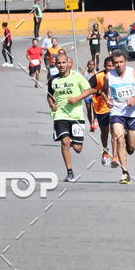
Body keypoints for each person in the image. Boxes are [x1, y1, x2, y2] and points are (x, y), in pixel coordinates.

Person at [103, 50, 135, 185]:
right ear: (112, 63)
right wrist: (106, 99)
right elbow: (102, 91)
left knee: (132, 146)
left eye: (121, 62)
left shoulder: (133, 73)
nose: (118, 65)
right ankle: (125, 172)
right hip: (116, 113)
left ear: (125, 62)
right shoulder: (109, 76)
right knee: (119, 139)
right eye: (116, 63)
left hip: (132, 114)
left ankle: (129, 148)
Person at [47, 52, 94, 183]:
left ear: (68, 63)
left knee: (78, 148)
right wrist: (52, 105)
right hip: (60, 115)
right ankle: (70, 172)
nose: (61, 65)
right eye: (58, 63)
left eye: (63, 62)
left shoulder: (77, 76)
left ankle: (71, 143)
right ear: (55, 64)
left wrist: (77, 98)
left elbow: (89, 90)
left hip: (76, 115)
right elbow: (49, 95)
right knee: (64, 142)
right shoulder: (53, 79)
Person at [88, 56, 115, 166]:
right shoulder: (98, 76)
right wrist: (98, 91)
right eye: (109, 66)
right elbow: (87, 88)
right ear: (104, 66)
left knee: (115, 132)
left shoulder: (118, 76)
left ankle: (115, 155)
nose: (111, 67)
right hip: (101, 108)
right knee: (105, 132)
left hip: (115, 108)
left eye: (113, 65)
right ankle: (105, 150)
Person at [83, 59, 96, 131]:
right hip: (87, 95)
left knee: (95, 110)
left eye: (92, 65)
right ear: (87, 66)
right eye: (89, 65)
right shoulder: (85, 74)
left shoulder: (96, 73)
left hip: (94, 94)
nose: (91, 66)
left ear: (94, 66)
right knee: (89, 110)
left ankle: (94, 121)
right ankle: (91, 124)